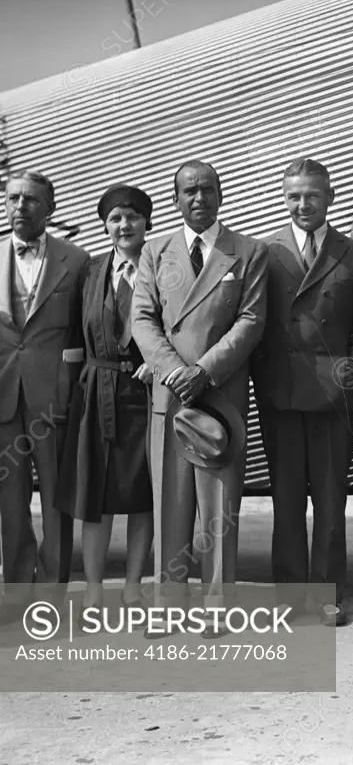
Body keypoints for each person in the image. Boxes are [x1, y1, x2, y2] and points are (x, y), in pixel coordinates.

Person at [132, 160, 267, 632]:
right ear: (175, 200)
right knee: (170, 504)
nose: (198, 198)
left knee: (218, 510)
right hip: (169, 397)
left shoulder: (248, 252)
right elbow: (142, 319)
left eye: (207, 189)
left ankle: (216, 606)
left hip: (220, 395)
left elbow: (251, 322)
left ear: (221, 194)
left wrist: (204, 372)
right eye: (188, 191)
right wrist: (174, 371)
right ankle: (167, 603)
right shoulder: (155, 253)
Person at [252, 158, 353, 626]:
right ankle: (287, 593)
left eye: (311, 195)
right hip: (280, 392)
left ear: (329, 197)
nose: (303, 204)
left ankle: (328, 593)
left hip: (335, 394)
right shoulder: (264, 254)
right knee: (286, 497)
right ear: (283, 198)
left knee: (330, 499)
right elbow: (253, 323)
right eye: (294, 196)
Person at [55, 185, 155, 612]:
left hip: (147, 394)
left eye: (132, 216)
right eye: (115, 218)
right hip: (96, 393)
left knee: (142, 492)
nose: (124, 225)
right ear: (105, 225)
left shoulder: (163, 265)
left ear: (147, 221)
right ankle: (94, 586)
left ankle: (134, 584)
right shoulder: (91, 271)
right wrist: (73, 390)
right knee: (94, 491)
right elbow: (75, 339)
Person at [0, 170, 89, 615]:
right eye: (13, 198)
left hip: (53, 399)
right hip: (2, 398)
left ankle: (51, 596)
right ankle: (16, 592)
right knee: (9, 503)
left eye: (32, 200)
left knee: (56, 499)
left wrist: (72, 389)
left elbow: (83, 332)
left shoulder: (77, 260)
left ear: (50, 208)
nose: (21, 207)